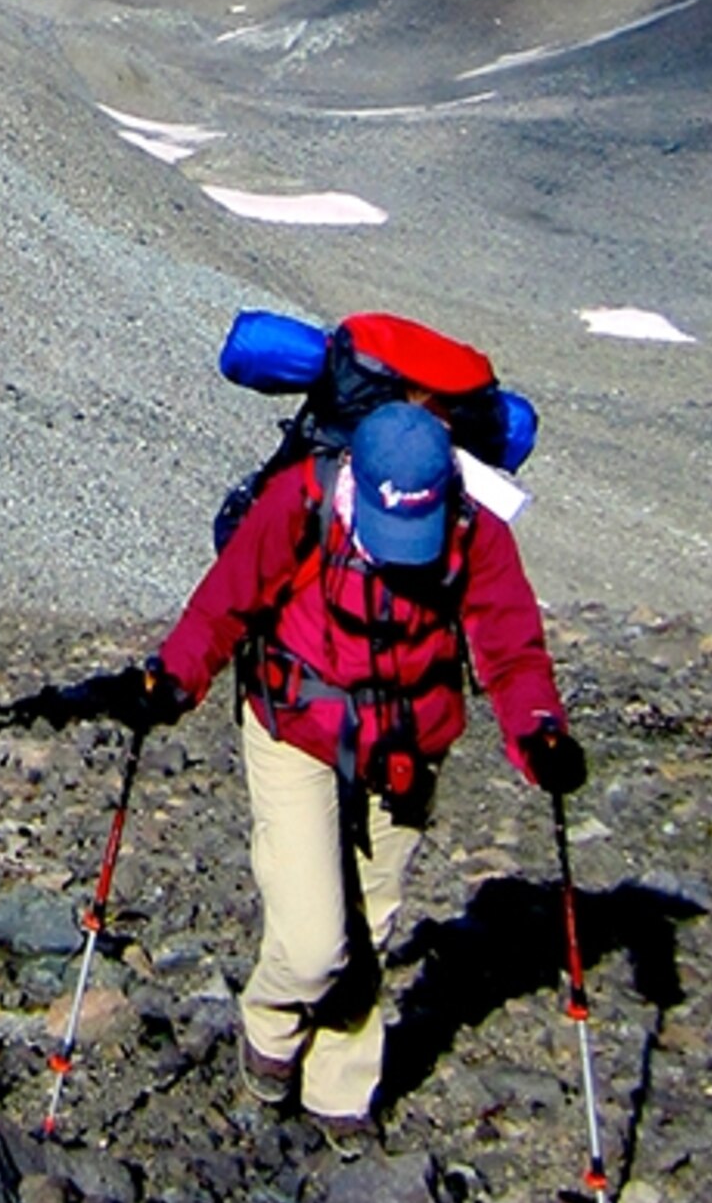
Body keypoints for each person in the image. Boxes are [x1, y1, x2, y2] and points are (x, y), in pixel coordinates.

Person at [79, 400, 584, 1146]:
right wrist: (171, 683)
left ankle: (340, 1089)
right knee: (317, 940)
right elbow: (226, 602)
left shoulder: (475, 528)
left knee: (371, 923)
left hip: (410, 738)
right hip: (296, 724)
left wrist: (540, 734)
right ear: (357, 478)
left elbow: (510, 648)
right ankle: (273, 1027)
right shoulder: (304, 499)